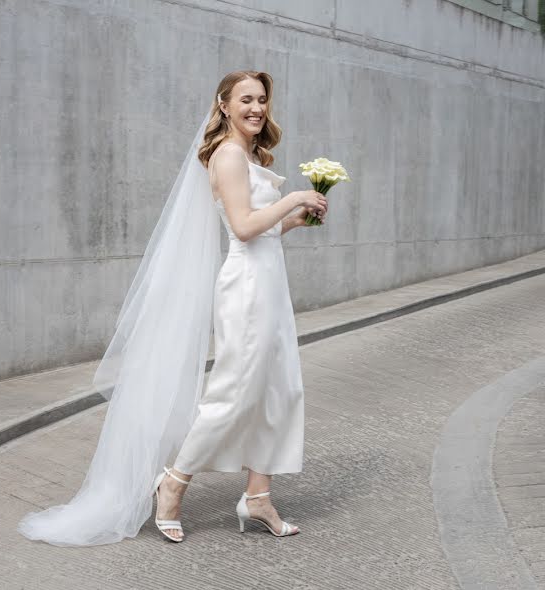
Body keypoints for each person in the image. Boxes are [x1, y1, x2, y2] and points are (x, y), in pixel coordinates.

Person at [17, 70, 327, 547]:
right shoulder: (227, 155)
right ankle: (173, 482)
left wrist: (296, 222)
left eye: (262, 99)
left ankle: (258, 495)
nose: (256, 108)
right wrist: (292, 198)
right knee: (234, 393)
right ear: (223, 105)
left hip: (270, 283)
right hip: (245, 287)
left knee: (278, 390)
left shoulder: (250, 155)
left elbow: (263, 231)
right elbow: (242, 229)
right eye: (246, 99)